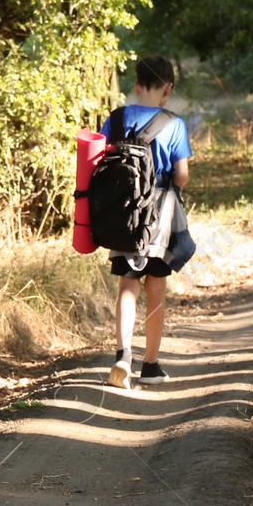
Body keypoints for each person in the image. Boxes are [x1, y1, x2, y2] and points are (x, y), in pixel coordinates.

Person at [103, 55, 192, 388]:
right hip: (160, 215)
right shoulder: (175, 124)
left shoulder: (117, 118)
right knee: (155, 287)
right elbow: (181, 176)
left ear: (137, 85)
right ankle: (150, 365)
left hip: (123, 212)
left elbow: (96, 161)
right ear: (168, 88)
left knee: (127, 285)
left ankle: (122, 355)